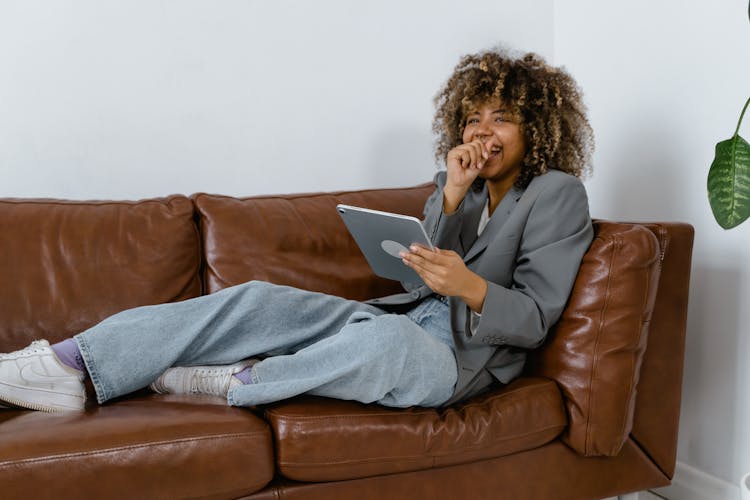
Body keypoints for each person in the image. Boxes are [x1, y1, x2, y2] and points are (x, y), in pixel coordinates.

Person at [0, 47, 595, 412]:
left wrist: (469, 287)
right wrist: (453, 192)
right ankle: (68, 364)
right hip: (401, 317)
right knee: (256, 298)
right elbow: (426, 255)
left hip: (455, 358)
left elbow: (538, 317)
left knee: (384, 346)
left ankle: (240, 382)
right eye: (473, 117)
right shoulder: (459, 185)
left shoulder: (555, 193)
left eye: (503, 119)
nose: (482, 132)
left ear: (536, 127)